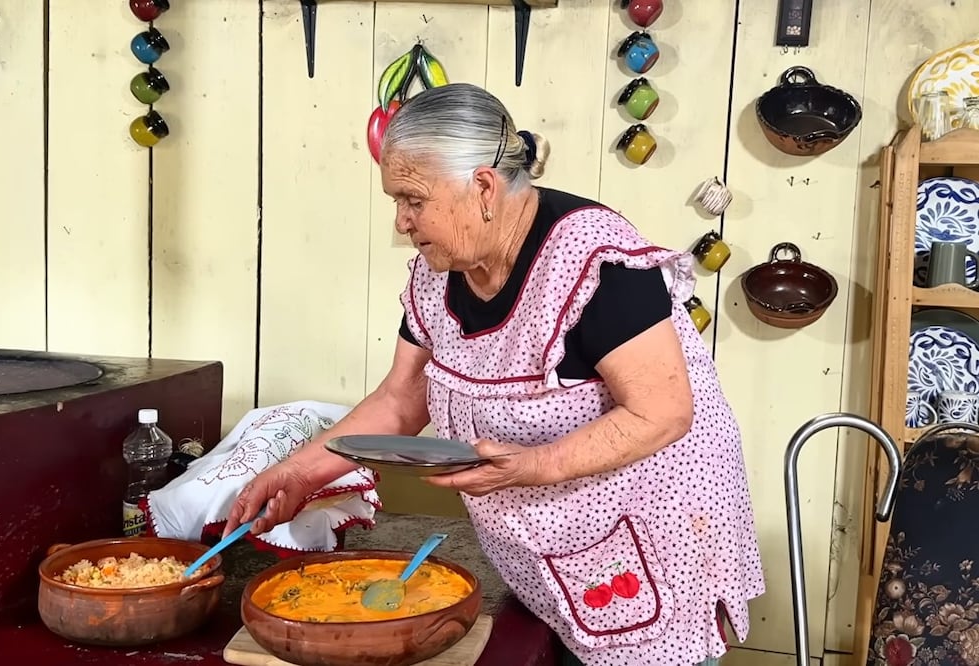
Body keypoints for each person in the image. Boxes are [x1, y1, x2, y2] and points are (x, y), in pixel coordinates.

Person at [224, 82, 765, 665]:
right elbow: (402, 399)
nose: (403, 221)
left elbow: (662, 411)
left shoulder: (593, 259)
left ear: (481, 186)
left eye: (413, 199)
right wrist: (302, 472)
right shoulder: (442, 267)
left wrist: (532, 467)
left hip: (655, 541)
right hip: (551, 549)